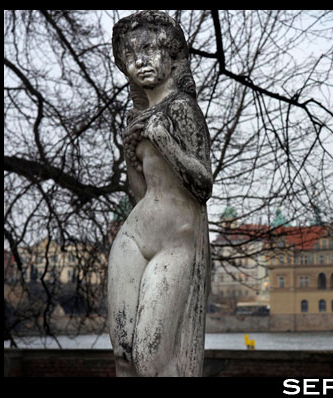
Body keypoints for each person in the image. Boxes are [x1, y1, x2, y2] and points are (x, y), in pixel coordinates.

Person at [108, 11, 212, 377]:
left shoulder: (183, 109)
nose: (140, 61)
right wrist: (130, 155)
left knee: (149, 359)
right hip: (135, 236)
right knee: (123, 354)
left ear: (172, 56)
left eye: (150, 49)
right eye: (131, 54)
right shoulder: (138, 117)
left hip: (175, 244)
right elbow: (143, 195)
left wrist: (164, 139)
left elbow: (202, 185)